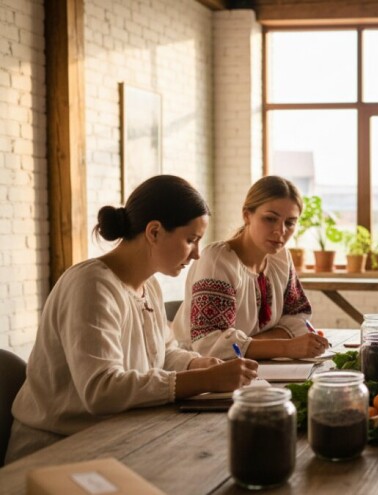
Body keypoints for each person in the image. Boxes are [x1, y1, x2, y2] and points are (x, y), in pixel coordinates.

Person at [6, 176, 259, 463]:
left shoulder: (148, 285)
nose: (198, 254)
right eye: (191, 240)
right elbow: (101, 390)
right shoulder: (91, 285)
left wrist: (195, 364)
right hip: (55, 450)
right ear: (154, 232)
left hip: (115, 436)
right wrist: (200, 380)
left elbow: (163, 353)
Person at [173, 176, 329, 360]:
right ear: (247, 215)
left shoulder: (280, 258)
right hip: (197, 372)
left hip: (255, 367)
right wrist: (285, 347)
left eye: (290, 223)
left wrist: (250, 344)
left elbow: (298, 318)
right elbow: (209, 344)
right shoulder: (218, 260)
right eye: (270, 219)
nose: (280, 231)